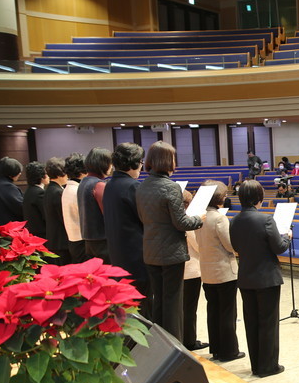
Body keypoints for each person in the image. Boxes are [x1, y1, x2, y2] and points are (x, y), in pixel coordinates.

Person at [136, 141, 204, 343]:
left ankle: (160, 344)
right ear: (167, 160)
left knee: (158, 301)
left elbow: (143, 218)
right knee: (173, 302)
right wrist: (199, 219)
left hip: (150, 249)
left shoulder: (142, 186)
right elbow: (181, 222)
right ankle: (176, 347)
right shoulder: (171, 187)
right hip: (171, 252)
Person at [230, 180, 291, 378]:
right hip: (267, 278)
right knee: (268, 322)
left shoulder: (234, 221)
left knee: (252, 321)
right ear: (259, 198)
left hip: (246, 276)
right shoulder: (266, 220)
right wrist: (287, 236)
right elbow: (279, 247)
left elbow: (236, 247)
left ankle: (256, 365)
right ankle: (269, 366)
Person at [196, 180, 243, 363]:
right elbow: (230, 245)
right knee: (227, 312)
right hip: (223, 271)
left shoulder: (200, 216)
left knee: (213, 310)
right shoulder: (219, 218)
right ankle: (229, 351)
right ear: (219, 198)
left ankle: (216, 348)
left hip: (207, 270)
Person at [103, 143, 151, 313]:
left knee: (126, 307)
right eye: (141, 162)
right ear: (134, 163)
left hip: (118, 254)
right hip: (136, 256)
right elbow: (146, 218)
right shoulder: (132, 186)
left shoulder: (110, 184)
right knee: (142, 309)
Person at [78, 147, 113, 261]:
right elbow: (108, 213)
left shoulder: (83, 182)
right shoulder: (99, 185)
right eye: (110, 163)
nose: (111, 167)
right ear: (103, 164)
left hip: (88, 239)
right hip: (102, 240)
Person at [181, 188, 205, 352]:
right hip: (191, 270)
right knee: (190, 308)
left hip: (181, 269)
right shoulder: (187, 220)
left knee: (183, 307)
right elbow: (197, 246)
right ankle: (190, 340)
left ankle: (184, 337)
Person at [42, 157, 71, 265]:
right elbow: (63, 218)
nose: (67, 176)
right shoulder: (58, 192)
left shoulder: (48, 189)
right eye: (65, 173)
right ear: (59, 175)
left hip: (53, 238)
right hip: (61, 241)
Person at [61, 152, 86, 263]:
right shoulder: (77, 190)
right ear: (81, 171)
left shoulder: (67, 188)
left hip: (72, 239)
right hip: (81, 239)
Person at [0, 156, 24, 224]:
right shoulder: (7, 186)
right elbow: (21, 208)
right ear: (11, 172)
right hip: (8, 229)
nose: (20, 174)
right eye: (18, 171)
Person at [22, 161, 48, 237]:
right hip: (41, 234)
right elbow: (46, 215)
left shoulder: (28, 190)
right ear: (41, 176)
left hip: (31, 232)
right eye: (46, 173)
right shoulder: (39, 193)